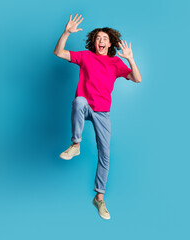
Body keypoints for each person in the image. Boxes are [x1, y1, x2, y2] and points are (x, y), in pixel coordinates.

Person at [53, 13, 142, 220]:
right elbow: (58, 52)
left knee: (105, 154)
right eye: (98, 37)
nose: (101, 40)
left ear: (110, 43)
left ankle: (99, 198)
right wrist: (66, 32)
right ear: (94, 41)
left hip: (102, 112)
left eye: (105, 38)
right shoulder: (85, 56)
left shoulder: (115, 63)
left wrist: (129, 58)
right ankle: (76, 144)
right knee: (78, 101)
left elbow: (137, 78)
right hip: (85, 106)